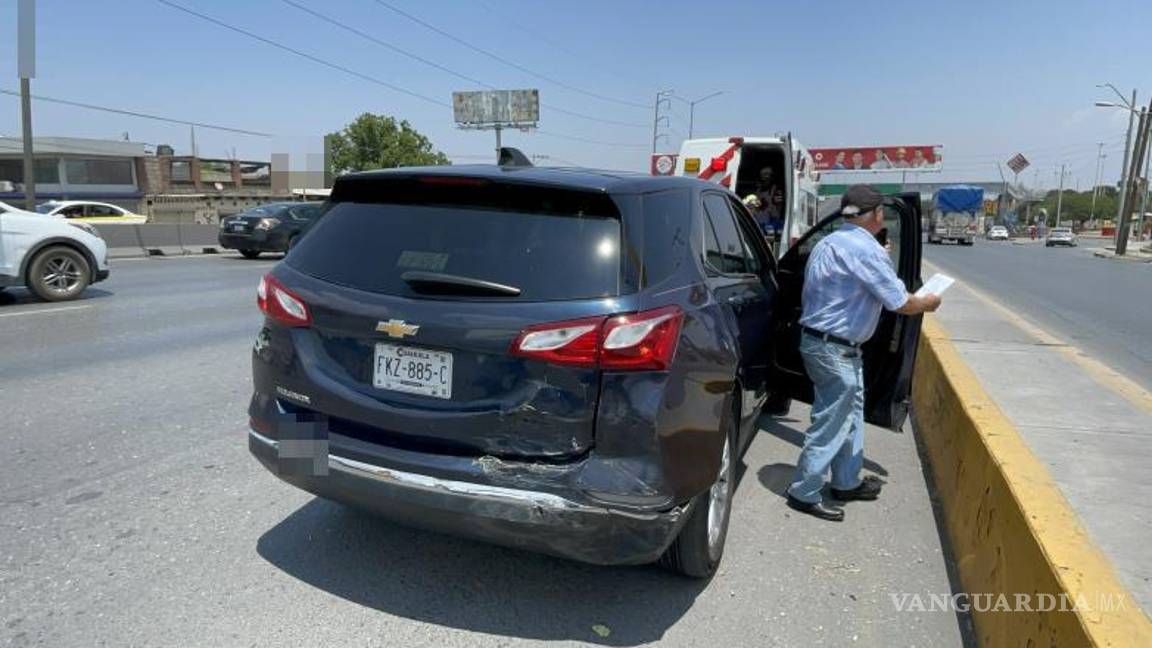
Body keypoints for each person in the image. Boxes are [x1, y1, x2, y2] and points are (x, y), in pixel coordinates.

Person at [785, 185, 942, 521]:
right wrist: (929, 301)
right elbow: (901, 302)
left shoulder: (829, 241)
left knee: (851, 416)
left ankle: (846, 481)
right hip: (835, 349)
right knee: (831, 422)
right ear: (876, 215)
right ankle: (804, 490)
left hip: (825, 344)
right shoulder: (866, 251)